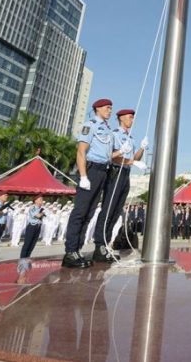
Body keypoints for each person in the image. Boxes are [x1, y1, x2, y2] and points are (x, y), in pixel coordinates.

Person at [64, 98, 115, 269]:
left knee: (89, 213)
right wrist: (84, 176)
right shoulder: (90, 125)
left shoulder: (107, 128)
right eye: (107, 108)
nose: (110, 111)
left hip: (102, 171)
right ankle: (70, 251)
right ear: (98, 108)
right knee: (80, 212)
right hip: (91, 170)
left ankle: (77, 250)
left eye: (110, 108)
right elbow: (81, 152)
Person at [93, 108, 147, 262]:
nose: (132, 120)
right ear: (122, 118)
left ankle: (106, 243)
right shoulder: (115, 134)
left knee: (116, 211)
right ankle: (99, 245)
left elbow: (135, 157)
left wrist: (142, 148)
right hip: (116, 172)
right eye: (130, 117)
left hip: (126, 173)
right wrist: (132, 161)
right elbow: (113, 157)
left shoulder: (131, 138)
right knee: (108, 209)